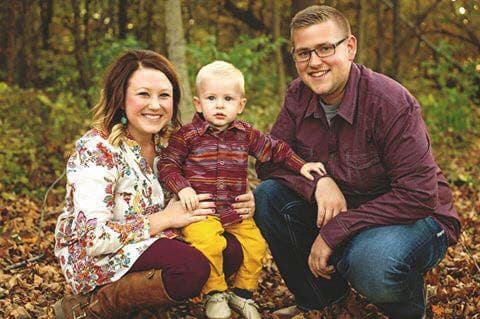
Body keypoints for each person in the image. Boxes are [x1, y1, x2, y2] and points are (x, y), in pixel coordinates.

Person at [254, 5, 461, 319]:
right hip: (349, 210)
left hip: (415, 219)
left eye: (325, 48)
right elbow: (270, 161)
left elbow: (419, 195)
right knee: (268, 196)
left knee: (372, 262)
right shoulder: (298, 95)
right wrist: (318, 183)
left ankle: (408, 306)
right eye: (303, 53)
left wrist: (334, 231)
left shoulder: (390, 102)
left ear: (350, 47)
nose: (314, 63)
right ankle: (322, 300)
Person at [53, 50, 255, 319]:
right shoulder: (97, 149)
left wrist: (243, 195)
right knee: (192, 267)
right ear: (120, 96)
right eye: (143, 94)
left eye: (164, 95)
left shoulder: (171, 144)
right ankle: (89, 305)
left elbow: (208, 181)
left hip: (154, 239)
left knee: (229, 250)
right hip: (101, 254)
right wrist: (164, 219)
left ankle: (147, 302)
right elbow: (94, 239)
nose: (155, 105)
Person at [158, 60, 326, 319]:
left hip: (235, 212)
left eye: (228, 98)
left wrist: (301, 165)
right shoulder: (188, 135)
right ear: (198, 103)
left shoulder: (245, 134)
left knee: (256, 245)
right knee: (208, 243)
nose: (220, 105)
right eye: (211, 98)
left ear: (240, 104)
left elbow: (275, 149)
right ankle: (214, 294)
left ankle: (242, 294)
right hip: (201, 211)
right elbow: (168, 164)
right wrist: (182, 189)